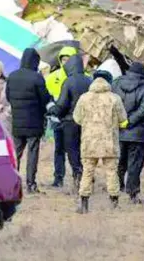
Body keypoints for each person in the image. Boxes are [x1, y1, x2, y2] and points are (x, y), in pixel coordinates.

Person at [73, 70, 128, 213]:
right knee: (111, 172)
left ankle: (84, 204)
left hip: (89, 142)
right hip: (109, 143)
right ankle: (114, 204)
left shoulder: (84, 98)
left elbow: (77, 119)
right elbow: (123, 119)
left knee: (87, 172)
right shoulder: (114, 98)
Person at [6, 48, 52, 194]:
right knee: (32, 152)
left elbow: (8, 97)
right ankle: (31, 184)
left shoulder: (12, 76)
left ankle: (12, 183)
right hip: (34, 121)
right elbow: (44, 98)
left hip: (17, 122)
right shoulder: (37, 77)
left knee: (16, 153)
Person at [112, 61, 144, 204]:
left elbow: (112, 103)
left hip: (119, 130)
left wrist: (121, 120)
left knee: (120, 161)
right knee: (135, 164)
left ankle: (117, 188)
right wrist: (129, 121)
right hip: (138, 133)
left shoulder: (116, 84)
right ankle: (133, 193)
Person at [48, 54, 90, 193]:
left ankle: (78, 178)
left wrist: (53, 109)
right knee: (85, 152)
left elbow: (62, 104)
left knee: (72, 151)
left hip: (70, 122)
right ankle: (87, 179)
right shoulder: (89, 80)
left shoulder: (69, 82)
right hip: (87, 122)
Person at [46, 45, 78, 189]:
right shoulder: (53, 77)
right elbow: (48, 95)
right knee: (59, 150)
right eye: (63, 59)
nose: (65, 62)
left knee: (76, 149)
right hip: (58, 118)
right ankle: (58, 178)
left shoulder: (81, 77)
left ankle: (78, 176)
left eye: (68, 59)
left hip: (74, 119)